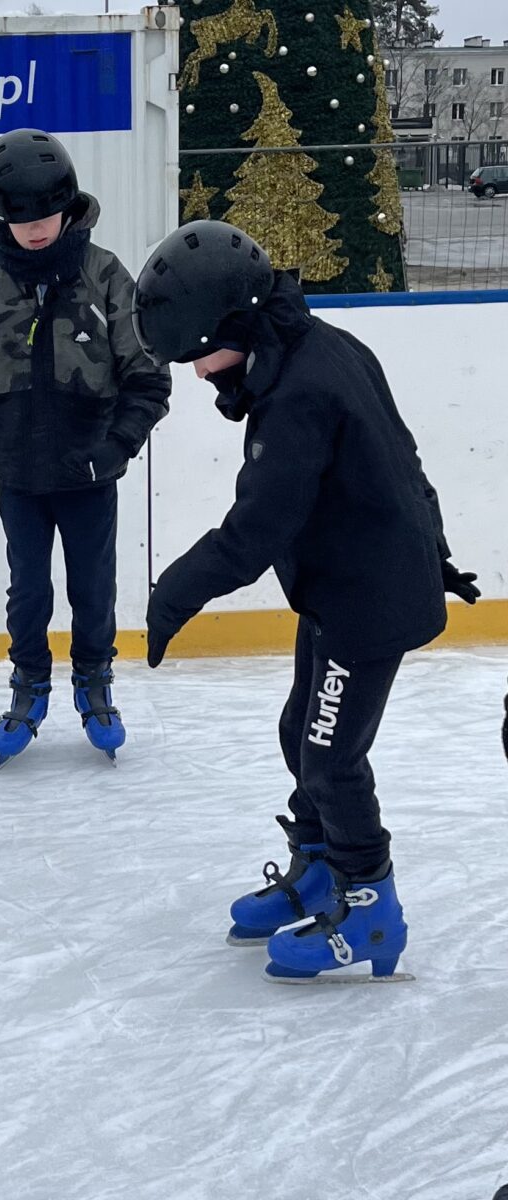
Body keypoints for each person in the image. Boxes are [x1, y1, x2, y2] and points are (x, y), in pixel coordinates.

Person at [132, 219, 479, 982]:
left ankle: (372, 910)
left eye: (195, 355)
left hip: (366, 604)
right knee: (302, 732)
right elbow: (403, 460)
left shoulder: (297, 396)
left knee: (330, 758)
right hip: (343, 586)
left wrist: (172, 596)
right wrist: (436, 551)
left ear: (231, 325)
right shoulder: (318, 348)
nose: (196, 374)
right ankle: (320, 870)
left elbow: (255, 532)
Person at [0, 128, 171, 769]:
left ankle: (94, 680)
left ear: (68, 204)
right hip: (20, 474)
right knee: (28, 590)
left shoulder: (104, 276)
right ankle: (29, 683)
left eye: (45, 214)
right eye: (19, 217)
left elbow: (148, 378)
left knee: (93, 587)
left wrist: (117, 446)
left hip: (91, 471)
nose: (34, 229)